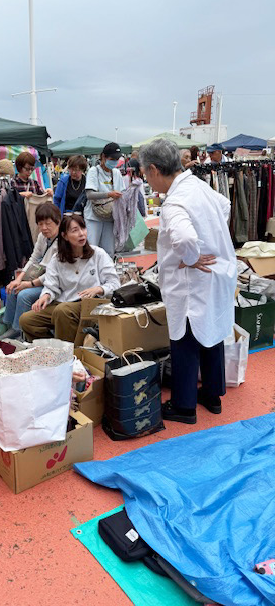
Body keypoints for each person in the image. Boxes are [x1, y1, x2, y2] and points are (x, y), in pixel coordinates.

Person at [139, 138, 237, 424]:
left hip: (192, 280)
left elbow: (183, 238)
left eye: (145, 174)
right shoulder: (197, 185)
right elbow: (225, 205)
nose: (147, 180)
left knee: (185, 339)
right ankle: (212, 395)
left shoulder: (175, 202)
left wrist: (192, 257)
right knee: (211, 334)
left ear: (154, 170)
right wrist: (208, 242)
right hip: (215, 272)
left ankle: (184, 406)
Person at [19, 214, 120, 343]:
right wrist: (45, 296)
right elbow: (51, 285)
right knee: (26, 320)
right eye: (75, 230)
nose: (81, 234)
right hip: (62, 303)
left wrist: (99, 289)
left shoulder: (98, 254)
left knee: (62, 311)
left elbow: (114, 283)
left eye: (83, 228)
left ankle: (67, 352)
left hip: (88, 304)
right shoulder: (57, 259)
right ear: (65, 236)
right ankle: (51, 347)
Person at [2, 203, 61, 339]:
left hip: (53, 283)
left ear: (58, 221)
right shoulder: (42, 237)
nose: (44, 228)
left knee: (24, 295)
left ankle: (20, 332)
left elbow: (56, 273)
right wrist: (18, 279)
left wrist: (29, 284)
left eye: (48, 223)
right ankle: (10, 327)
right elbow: (34, 258)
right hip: (38, 277)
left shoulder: (63, 241)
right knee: (12, 289)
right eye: (40, 224)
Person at [84, 142, 125, 257]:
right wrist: (109, 194)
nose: (114, 162)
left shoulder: (116, 173)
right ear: (103, 157)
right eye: (112, 159)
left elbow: (123, 192)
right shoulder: (94, 171)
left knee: (109, 252)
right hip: (94, 217)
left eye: (116, 159)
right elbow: (90, 195)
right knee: (92, 250)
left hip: (110, 217)